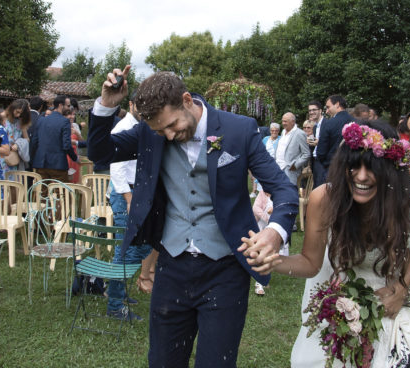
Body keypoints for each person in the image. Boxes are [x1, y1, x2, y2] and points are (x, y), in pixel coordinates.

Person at [87, 66, 298, 367]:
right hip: (171, 266)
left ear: (187, 100)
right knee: (162, 360)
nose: (169, 136)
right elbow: (100, 153)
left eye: (171, 125)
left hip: (225, 270)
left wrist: (275, 231)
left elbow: (284, 190)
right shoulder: (151, 132)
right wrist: (106, 105)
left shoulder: (239, 129)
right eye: (161, 131)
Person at [244, 120, 410, 367]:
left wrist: (401, 286)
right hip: (338, 290)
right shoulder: (324, 199)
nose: (362, 177)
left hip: (391, 291)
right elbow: (310, 263)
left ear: (390, 171)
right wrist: (272, 261)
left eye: (373, 169)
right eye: (353, 166)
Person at [106, 95, 154, 321]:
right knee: (129, 250)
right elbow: (116, 167)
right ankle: (114, 304)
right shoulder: (124, 127)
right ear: (131, 105)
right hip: (124, 193)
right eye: (140, 105)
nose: (144, 110)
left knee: (139, 246)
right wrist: (128, 198)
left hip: (136, 192)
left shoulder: (141, 126)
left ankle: (116, 290)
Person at [31, 95, 78, 183]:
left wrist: (34, 159)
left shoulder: (41, 120)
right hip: (58, 164)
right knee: (61, 193)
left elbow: (34, 142)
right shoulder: (64, 121)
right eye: (68, 106)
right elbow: (67, 145)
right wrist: (75, 158)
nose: (69, 108)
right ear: (61, 105)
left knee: (43, 194)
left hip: (41, 163)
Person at [315, 95, 353, 186]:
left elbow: (320, 152)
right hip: (351, 169)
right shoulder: (356, 122)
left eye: (328, 107)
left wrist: (326, 163)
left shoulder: (329, 123)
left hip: (332, 169)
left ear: (337, 104)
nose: (327, 111)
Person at [275, 112, 310, 186]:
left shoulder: (299, 134)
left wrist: (295, 165)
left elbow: (306, 154)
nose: (283, 123)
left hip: (290, 170)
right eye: (282, 121)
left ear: (293, 122)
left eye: (285, 121)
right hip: (278, 168)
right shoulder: (283, 131)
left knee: (289, 193)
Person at [3, 98, 31, 174]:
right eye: (17, 112)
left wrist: (18, 144)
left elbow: (27, 139)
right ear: (13, 108)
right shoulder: (3, 117)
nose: (18, 115)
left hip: (14, 155)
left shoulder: (21, 121)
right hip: (1, 153)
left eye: (21, 113)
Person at [307, 101, 326, 189]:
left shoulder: (327, 124)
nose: (311, 112)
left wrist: (319, 142)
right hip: (315, 162)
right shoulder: (315, 127)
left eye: (314, 110)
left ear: (320, 110)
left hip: (323, 162)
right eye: (310, 110)